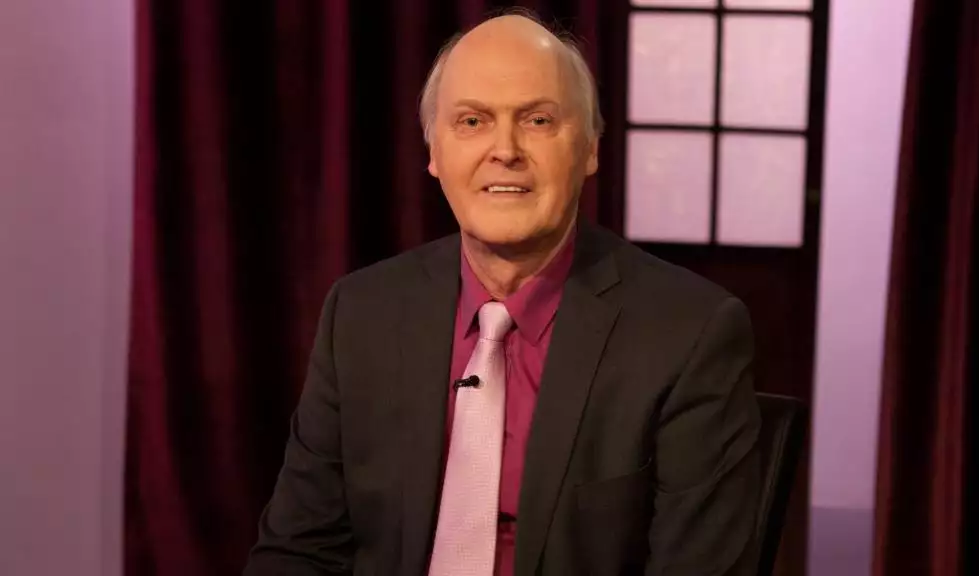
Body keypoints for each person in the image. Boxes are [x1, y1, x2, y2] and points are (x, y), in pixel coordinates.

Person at [244, 12, 761, 576]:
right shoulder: (361, 314)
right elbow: (300, 550)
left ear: (590, 148)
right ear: (435, 152)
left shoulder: (688, 334)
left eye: (538, 120)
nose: (505, 150)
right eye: (472, 121)